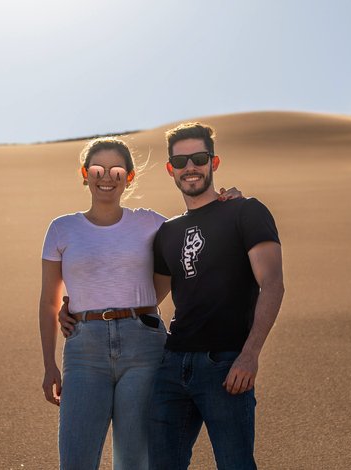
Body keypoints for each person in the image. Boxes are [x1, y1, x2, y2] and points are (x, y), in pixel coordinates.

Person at [38, 137, 241, 470]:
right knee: (75, 461)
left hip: (144, 347)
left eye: (117, 170)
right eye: (98, 169)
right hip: (84, 349)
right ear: (84, 174)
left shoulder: (152, 223)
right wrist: (49, 365)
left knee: (135, 462)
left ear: (129, 178)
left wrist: (226, 202)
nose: (107, 177)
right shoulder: (62, 229)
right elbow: (49, 301)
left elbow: (197, 230)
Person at [149, 122, 285, 470]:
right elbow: (149, 297)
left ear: (214, 162)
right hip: (172, 365)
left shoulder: (245, 211)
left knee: (236, 464)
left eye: (198, 158)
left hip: (224, 365)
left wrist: (249, 356)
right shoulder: (168, 231)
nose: (189, 167)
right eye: (180, 162)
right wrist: (78, 307)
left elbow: (272, 284)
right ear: (170, 169)